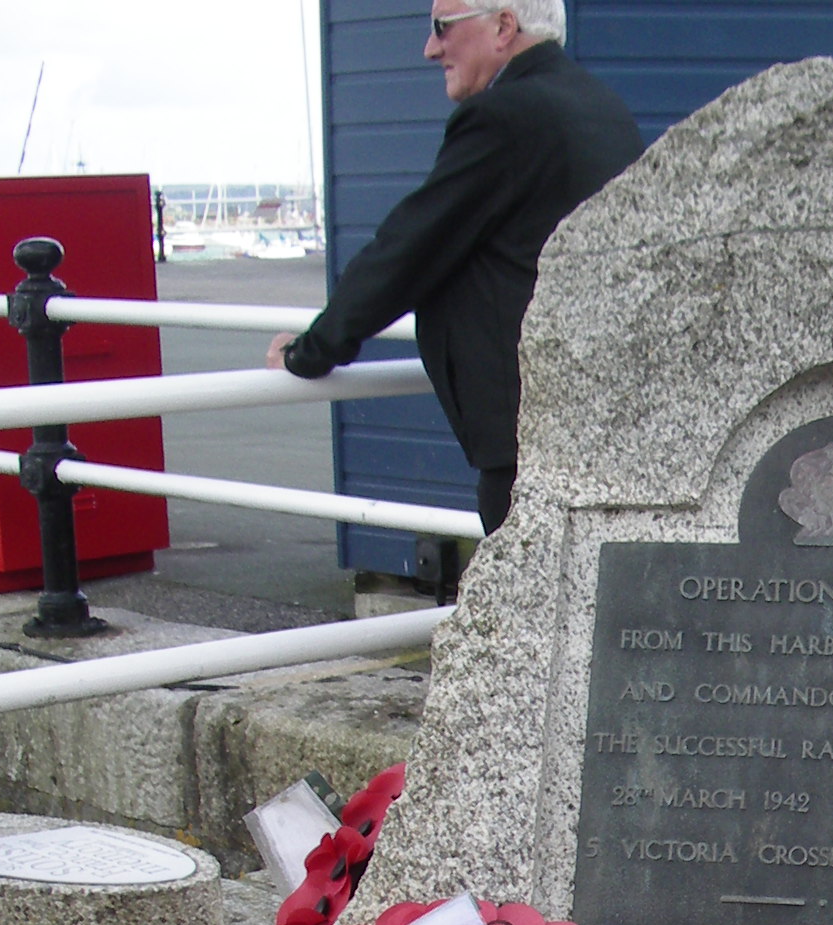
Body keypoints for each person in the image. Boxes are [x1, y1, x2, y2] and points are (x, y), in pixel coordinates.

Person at [269, 0, 643, 534]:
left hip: (525, 437)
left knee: (528, 609)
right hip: (598, 417)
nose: (430, 48)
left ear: (504, 26)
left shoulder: (505, 116)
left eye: (443, 27)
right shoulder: (603, 107)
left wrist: (310, 351)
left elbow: (408, 249)